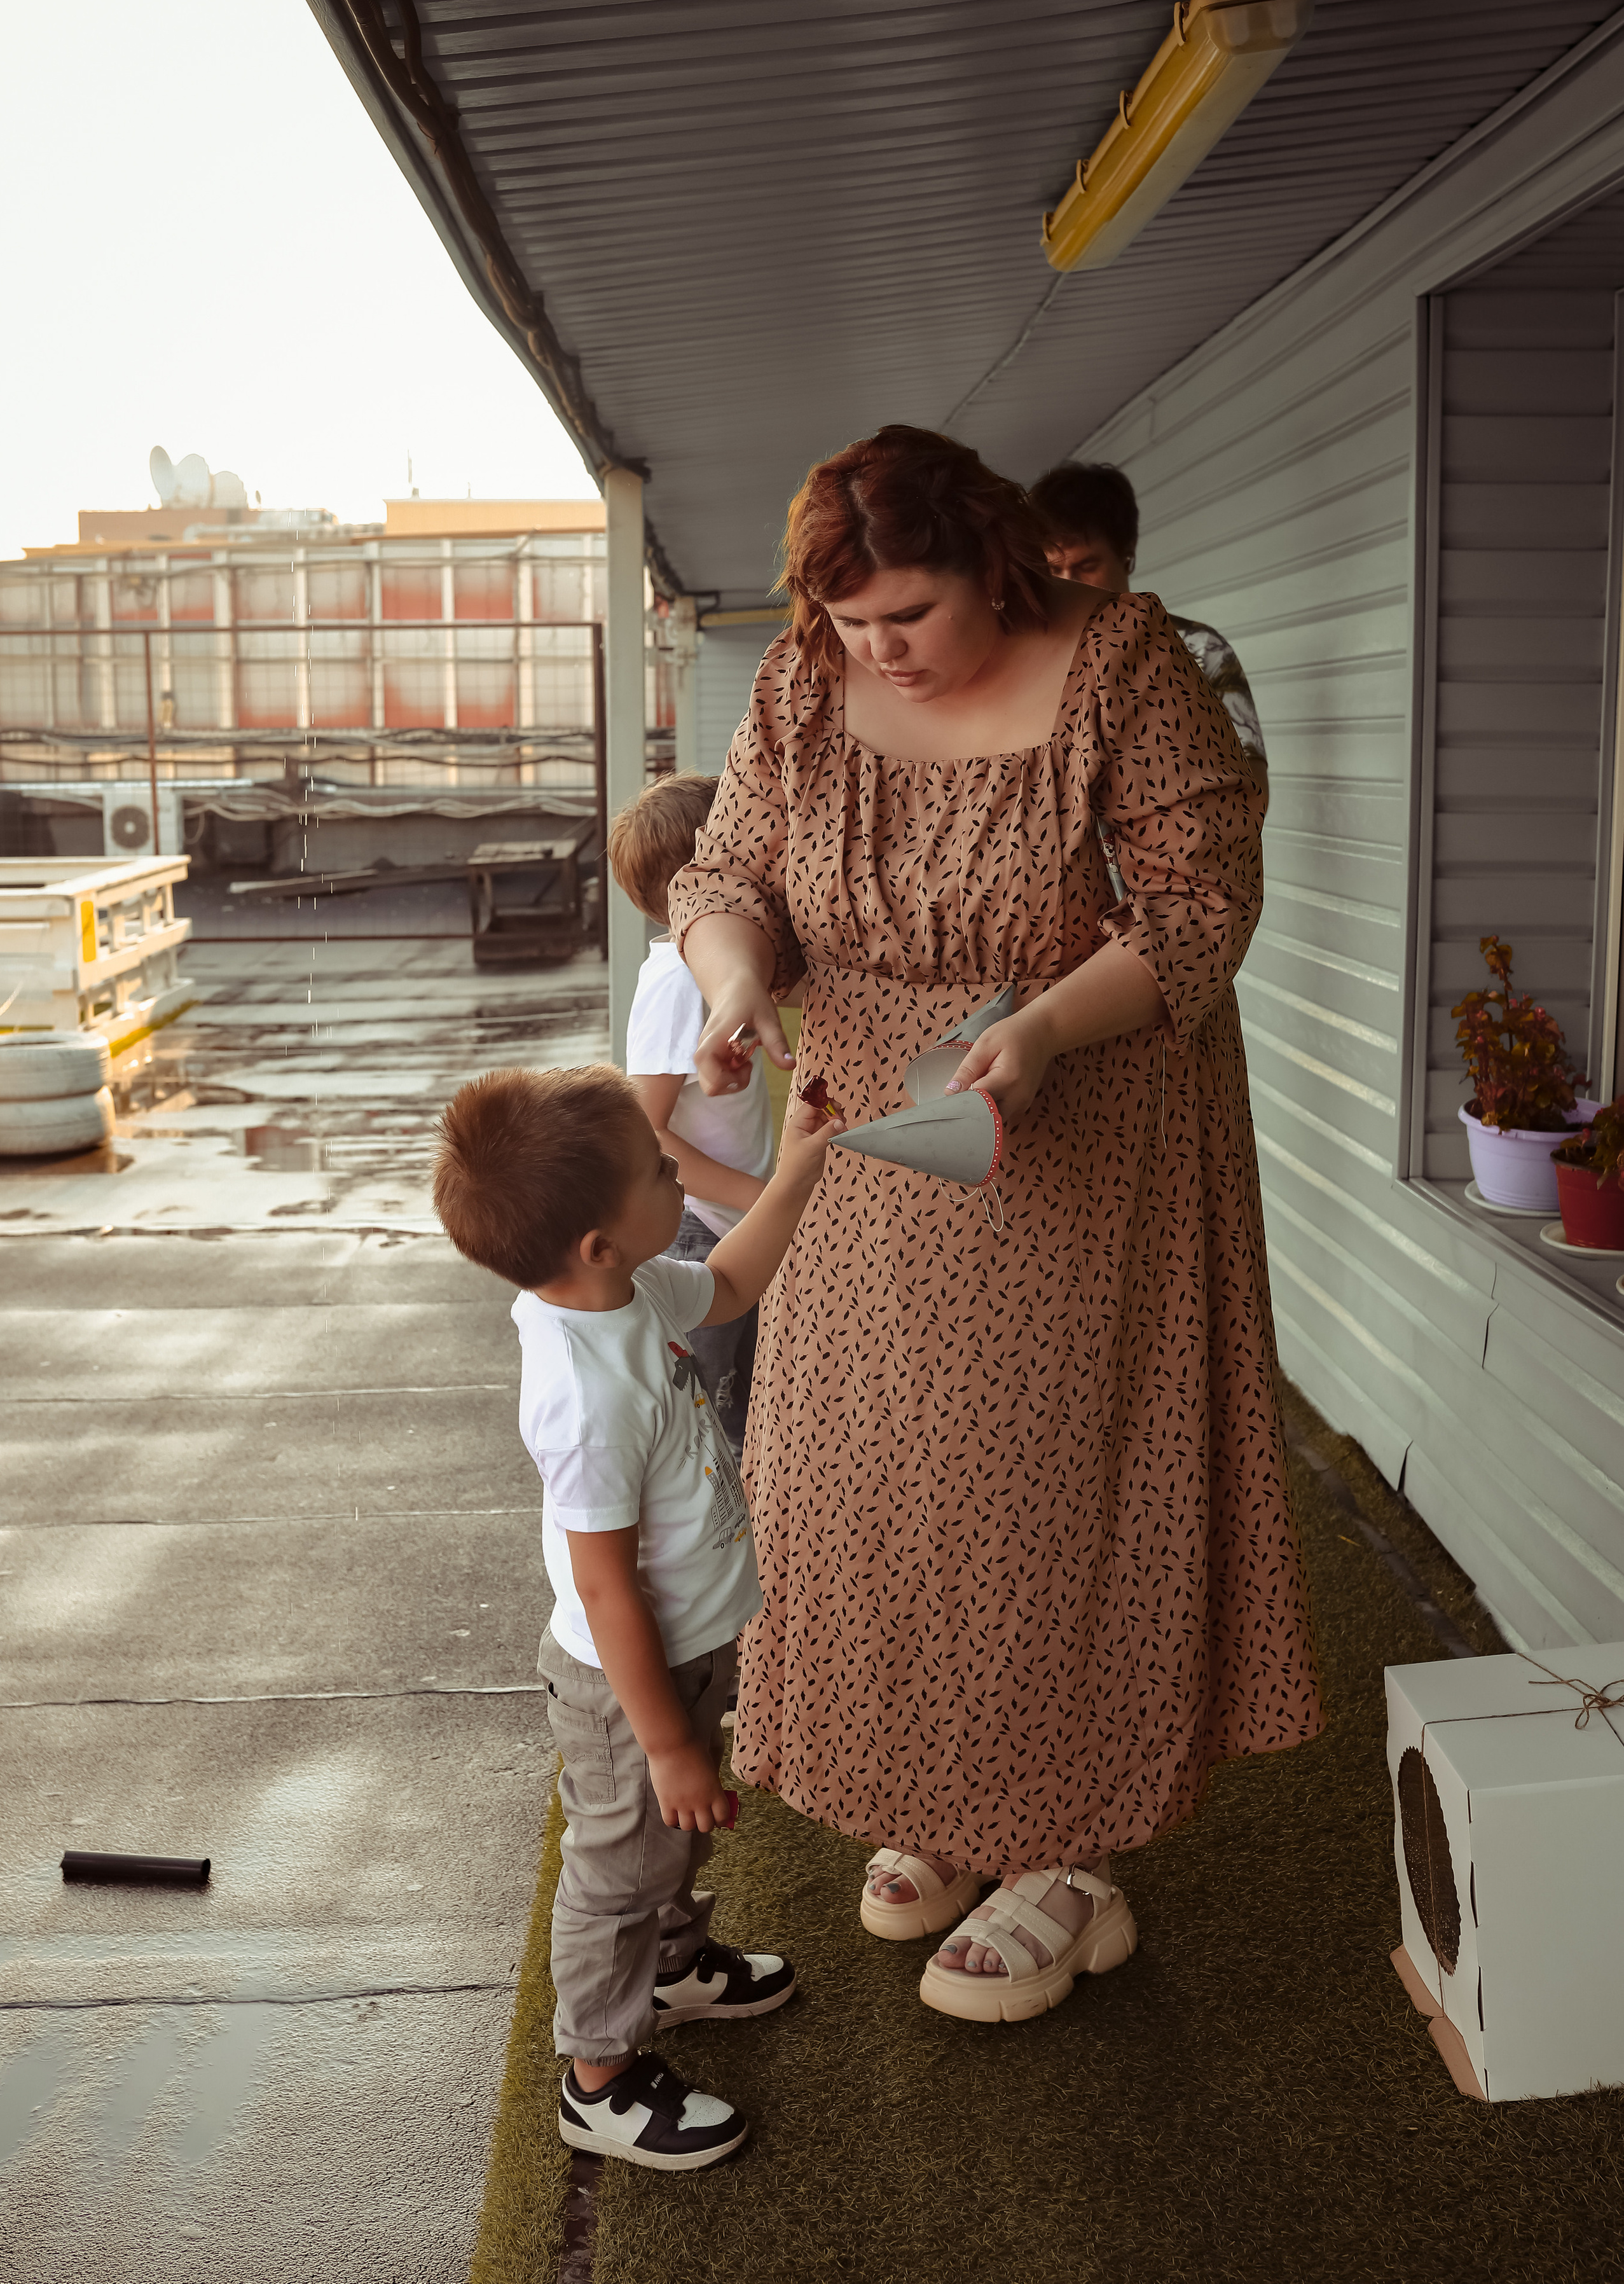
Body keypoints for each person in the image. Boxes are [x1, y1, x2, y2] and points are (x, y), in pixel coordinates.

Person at [668, 424, 1321, 2028]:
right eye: (850, 622)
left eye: (906, 615)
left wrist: (1035, 1030)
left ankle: (1068, 1851)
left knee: (1046, 1489)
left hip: (1074, 1124)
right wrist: (739, 982)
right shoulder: (803, 684)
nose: (873, 649)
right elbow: (726, 867)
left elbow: (1196, 902)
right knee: (870, 1487)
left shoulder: (1119, 660)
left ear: (993, 564)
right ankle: (945, 1799)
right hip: (864, 1150)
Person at [432, 1062, 844, 2166]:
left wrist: (799, 1160)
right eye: (661, 1172)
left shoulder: (635, 1290)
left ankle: (669, 1967)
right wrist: (662, 1742)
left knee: (664, 1852)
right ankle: (600, 2074)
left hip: (685, 1654)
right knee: (618, 1872)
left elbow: (739, 1281)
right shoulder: (585, 1391)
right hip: (629, 1688)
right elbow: (606, 1584)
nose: (678, 1171)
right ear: (596, 1246)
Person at [610, 771, 774, 1457]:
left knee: (744, 1411)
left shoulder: (714, 971)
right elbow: (643, 1130)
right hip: (701, 1231)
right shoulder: (679, 979)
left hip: (734, 1222)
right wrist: (761, 1200)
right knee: (706, 1425)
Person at [1029, 459, 1269, 795]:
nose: (1070, 584)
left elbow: (1251, 783)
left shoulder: (1198, 647)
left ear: (1127, 556)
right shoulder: (1030, 655)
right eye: (1055, 570)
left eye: (1087, 566)